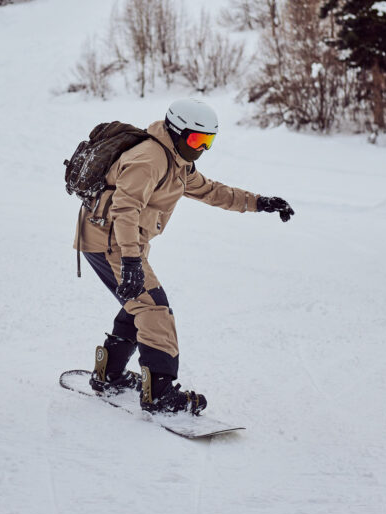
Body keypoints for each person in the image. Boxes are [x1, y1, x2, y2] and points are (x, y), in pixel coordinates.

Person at [74, 98, 294, 416]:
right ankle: (160, 393)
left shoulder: (176, 161)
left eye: (208, 141)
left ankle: (109, 374)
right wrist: (132, 262)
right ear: (176, 131)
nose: (202, 148)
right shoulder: (149, 159)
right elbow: (125, 208)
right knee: (154, 309)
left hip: (111, 240)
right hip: (110, 240)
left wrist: (260, 202)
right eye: (196, 139)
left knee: (139, 304)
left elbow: (211, 191)